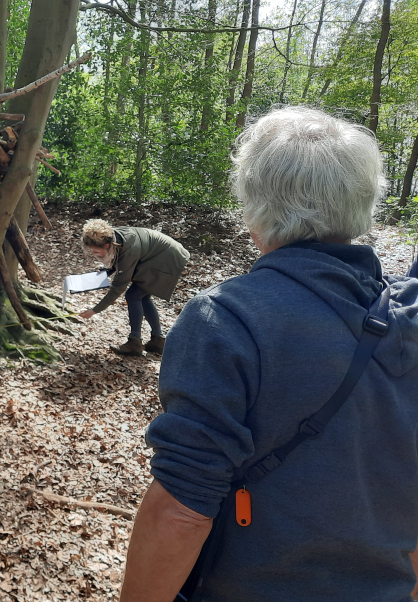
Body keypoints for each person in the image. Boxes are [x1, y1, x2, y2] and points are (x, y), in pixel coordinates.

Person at [119, 107, 418, 602]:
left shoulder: (226, 319)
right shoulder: (407, 319)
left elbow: (181, 510)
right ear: (363, 202)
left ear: (255, 207)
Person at [79, 219, 190, 355]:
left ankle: (135, 343)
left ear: (107, 246)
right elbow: (120, 259)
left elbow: (119, 286)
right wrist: (107, 271)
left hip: (167, 258)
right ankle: (158, 340)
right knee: (143, 297)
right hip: (157, 255)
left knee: (133, 295)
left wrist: (95, 310)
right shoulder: (114, 237)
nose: (94, 255)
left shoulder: (129, 249)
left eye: (96, 252)